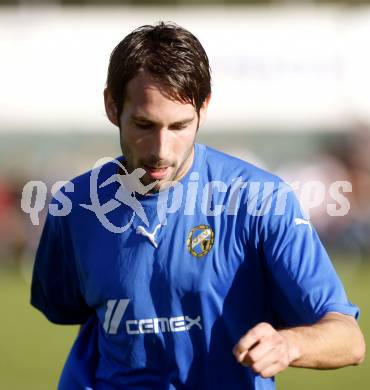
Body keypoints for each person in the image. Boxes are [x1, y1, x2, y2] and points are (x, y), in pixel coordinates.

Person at [30, 22, 365, 390]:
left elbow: (348, 339)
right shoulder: (75, 207)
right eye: (144, 124)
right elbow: (66, 308)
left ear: (204, 108)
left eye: (179, 126)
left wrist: (289, 344)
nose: (161, 149)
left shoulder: (261, 200)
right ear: (112, 106)